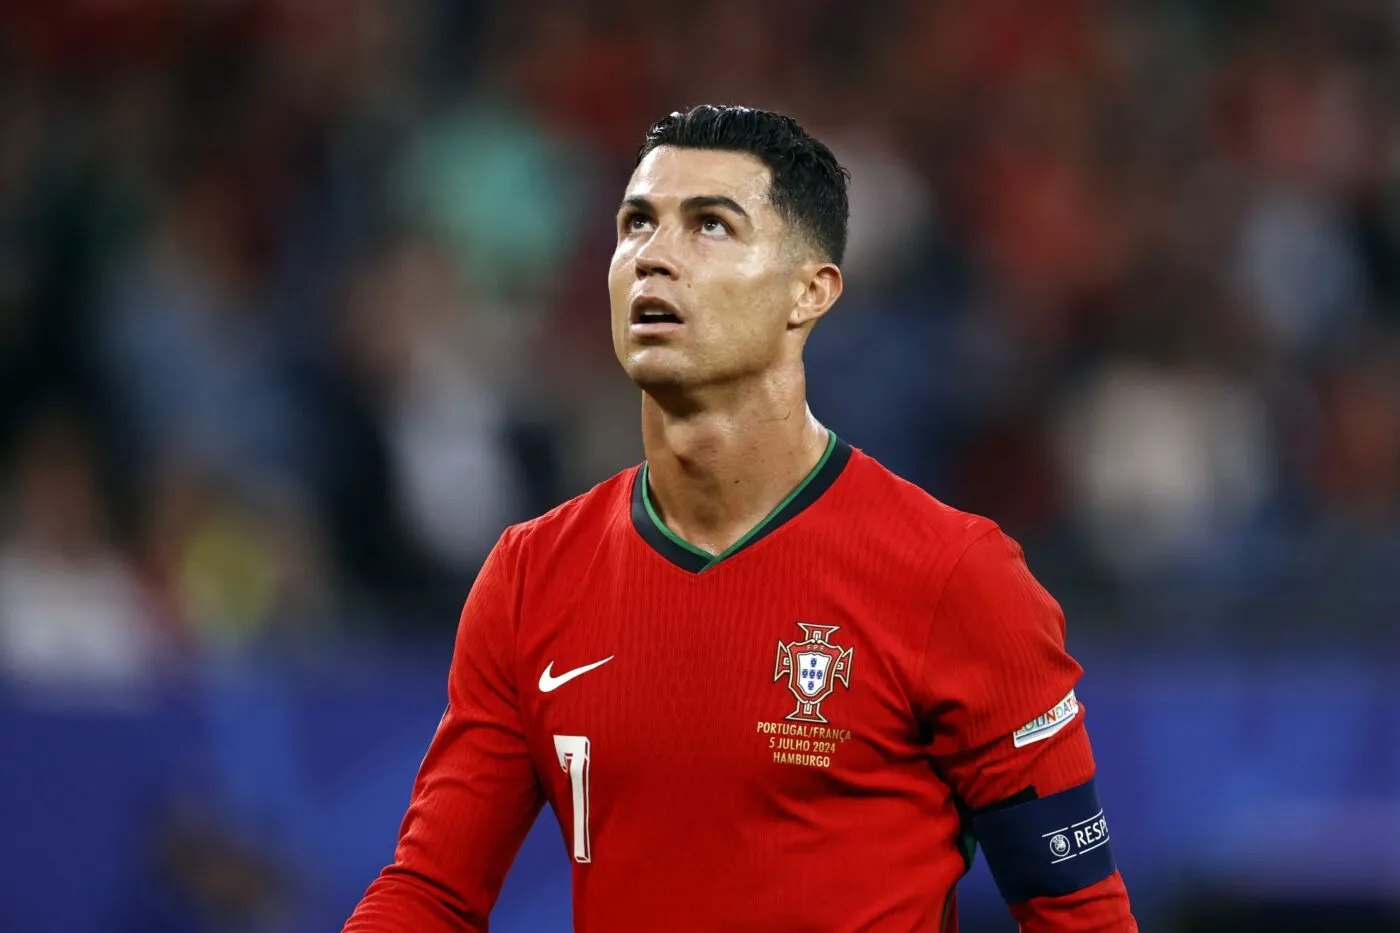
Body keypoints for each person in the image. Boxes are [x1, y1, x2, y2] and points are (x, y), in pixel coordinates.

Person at [344, 105, 1137, 932]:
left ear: (810, 291)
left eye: (710, 226)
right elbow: (430, 893)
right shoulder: (530, 575)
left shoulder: (953, 572)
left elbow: (1079, 914)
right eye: (636, 224)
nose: (653, 255)